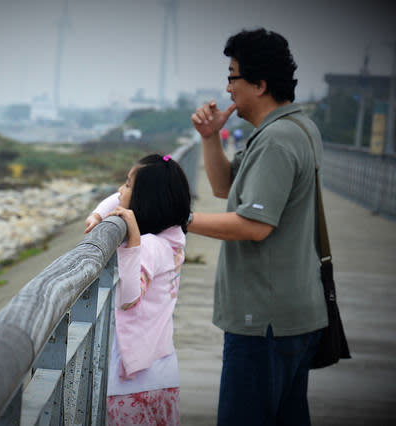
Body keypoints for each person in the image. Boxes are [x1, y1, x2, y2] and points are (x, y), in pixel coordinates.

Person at [188, 28, 328, 425]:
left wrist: (180, 220)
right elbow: (223, 187)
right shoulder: (290, 129)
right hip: (286, 316)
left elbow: (254, 225)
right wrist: (210, 137)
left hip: (265, 322)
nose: (227, 88)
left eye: (232, 76)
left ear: (260, 84)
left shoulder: (277, 141)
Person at [85, 154, 191, 426]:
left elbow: (128, 298)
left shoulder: (150, 247)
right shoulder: (174, 235)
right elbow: (119, 200)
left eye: (128, 184)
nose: (120, 191)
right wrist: (98, 213)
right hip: (161, 371)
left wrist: (132, 243)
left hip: (132, 383)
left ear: (147, 199)